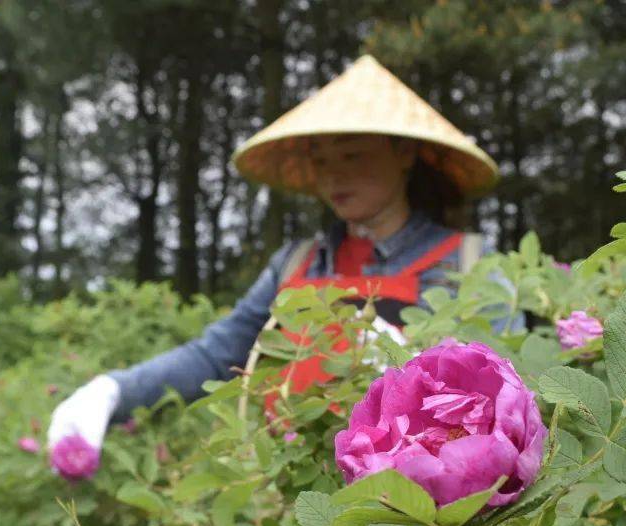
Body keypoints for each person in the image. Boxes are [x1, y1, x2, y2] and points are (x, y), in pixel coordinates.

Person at [47, 55, 521, 457]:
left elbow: (510, 398)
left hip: (425, 516)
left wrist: (418, 371)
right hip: (292, 498)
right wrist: (113, 391)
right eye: (321, 159)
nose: (333, 176)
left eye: (352, 155)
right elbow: (217, 356)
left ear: (404, 153)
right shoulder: (299, 262)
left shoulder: (469, 264)